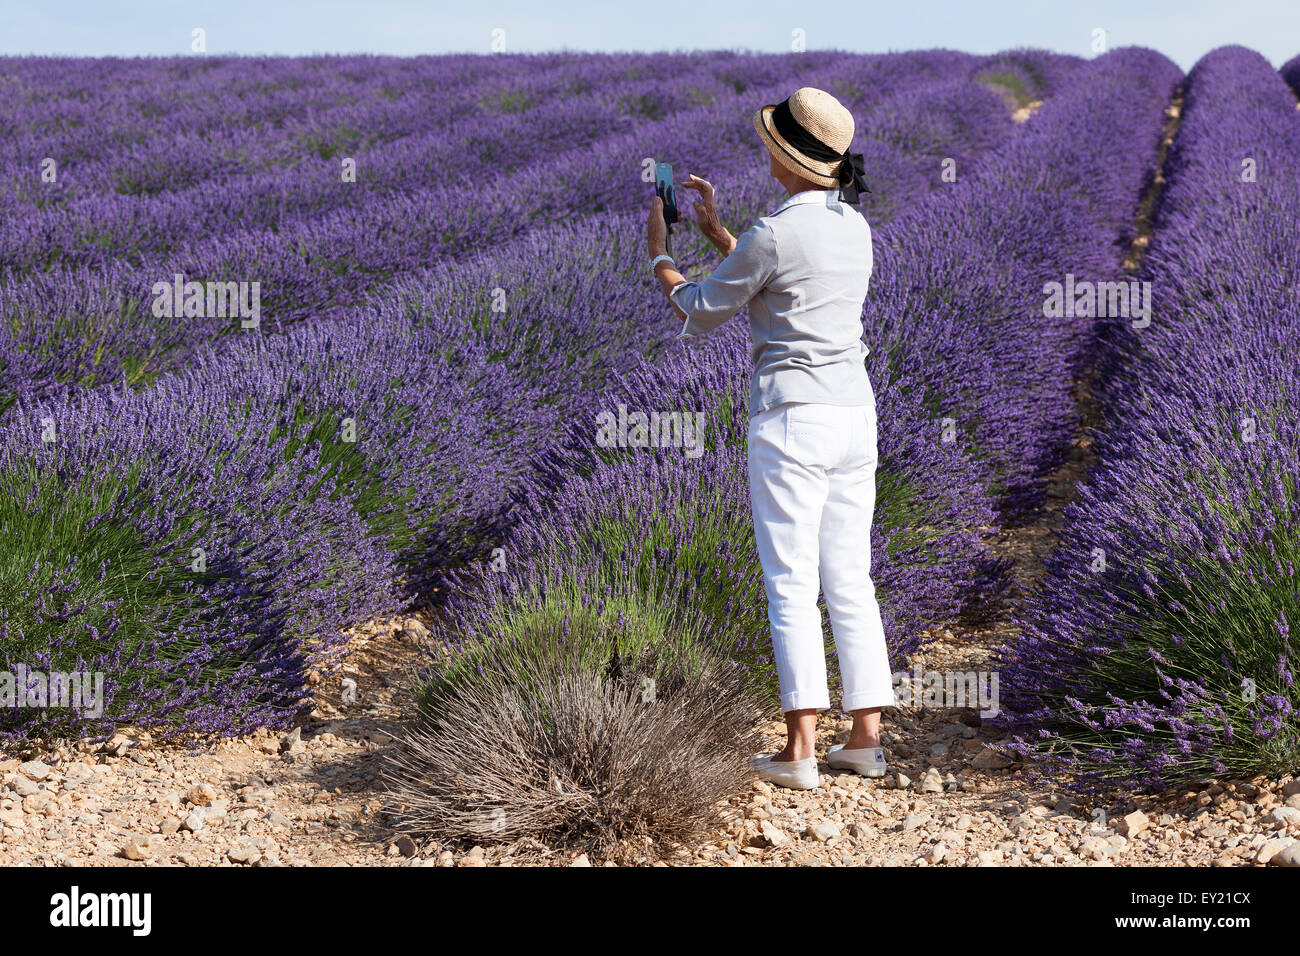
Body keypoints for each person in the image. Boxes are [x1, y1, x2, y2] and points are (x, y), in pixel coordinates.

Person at [645, 87, 894, 790]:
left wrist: (660, 253)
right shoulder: (853, 226)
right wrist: (723, 234)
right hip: (854, 413)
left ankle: (800, 751)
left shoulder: (775, 232)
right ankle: (866, 739)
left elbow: (700, 308)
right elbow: (785, 285)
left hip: (793, 419)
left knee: (790, 579)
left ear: (784, 159)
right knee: (850, 575)